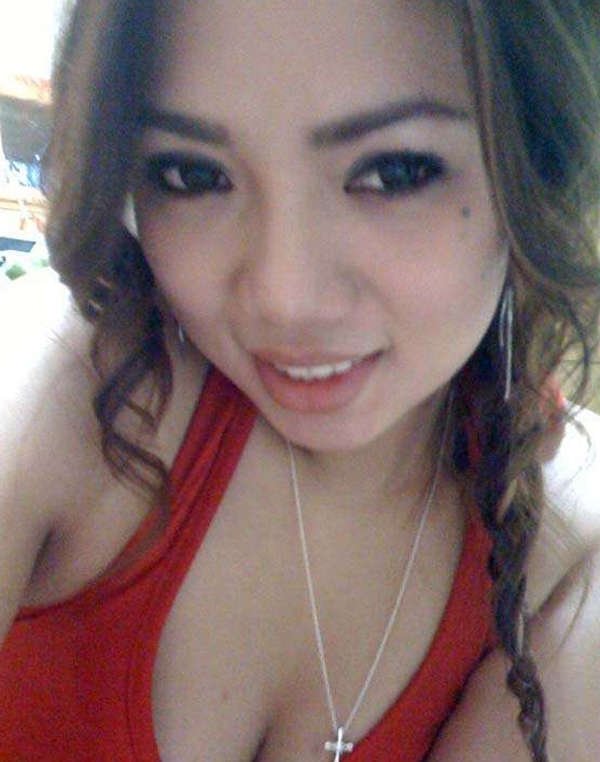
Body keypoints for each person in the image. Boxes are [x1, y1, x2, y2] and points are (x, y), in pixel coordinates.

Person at [0, 1, 599, 760]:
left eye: (394, 171)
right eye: (192, 174)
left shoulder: (560, 550)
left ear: (540, 167)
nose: (285, 299)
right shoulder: (71, 392)